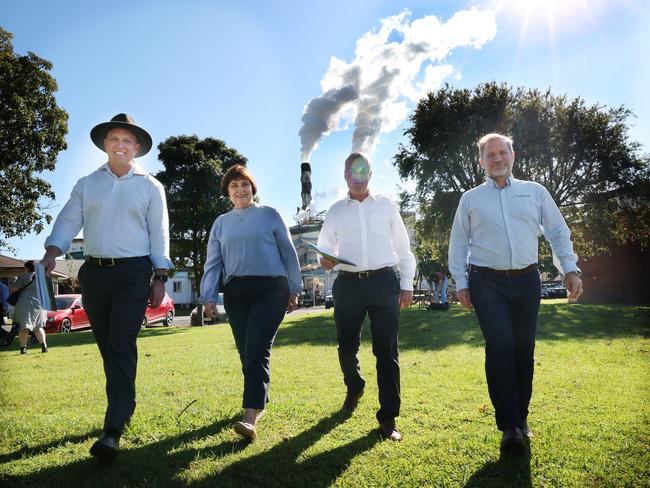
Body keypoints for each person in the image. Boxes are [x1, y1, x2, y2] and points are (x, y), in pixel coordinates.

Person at [41, 113, 172, 462]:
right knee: (106, 346)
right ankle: (124, 402)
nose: (120, 145)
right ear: (105, 145)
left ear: (137, 148)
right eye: (114, 139)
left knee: (120, 343)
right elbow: (68, 219)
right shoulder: (88, 183)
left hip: (134, 271)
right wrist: (53, 251)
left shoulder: (150, 186)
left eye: (127, 140)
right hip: (95, 274)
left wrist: (159, 276)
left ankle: (112, 429)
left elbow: (159, 233)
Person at [448, 133, 583, 455]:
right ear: (481, 161)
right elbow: (458, 243)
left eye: (502, 152)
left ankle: (521, 419)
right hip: (486, 282)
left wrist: (570, 269)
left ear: (513, 155)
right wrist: (461, 283)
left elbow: (557, 232)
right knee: (500, 347)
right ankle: (509, 425)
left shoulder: (535, 192)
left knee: (523, 350)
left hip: (526, 281)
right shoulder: (470, 199)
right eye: (490, 154)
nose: (497, 158)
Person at [317, 152, 416, 441]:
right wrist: (326, 260)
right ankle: (355, 384)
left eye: (364, 173)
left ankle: (388, 418)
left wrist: (407, 284)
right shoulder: (335, 211)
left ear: (370, 175)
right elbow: (324, 247)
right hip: (348, 284)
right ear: (345, 177)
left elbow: (403, 247)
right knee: (346, 346)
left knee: (387, 352)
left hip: (385, 282)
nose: (358, 179)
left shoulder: (386, 205)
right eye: (352, 173)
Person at [199, 164, 301, 441]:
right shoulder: (221, 223)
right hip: (236, 292)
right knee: (247, 352)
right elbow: (213, 263)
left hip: (271, 289)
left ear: (253, 188)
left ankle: (250, 416)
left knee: (257, 349)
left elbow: (288, 253)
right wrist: (208, 296)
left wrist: (294, 287)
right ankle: (260, 399)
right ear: (227, 193)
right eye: (233, 186)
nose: (240, 190)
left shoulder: (270, 215)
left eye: (244, 184)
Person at [10, 261, 48, 354]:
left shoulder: (24, 276)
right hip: (40, 305)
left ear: (27, 268)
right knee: (38, 327)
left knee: (24, 327)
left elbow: (13, 289)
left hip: (26, 304)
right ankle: (44, 347)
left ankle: (23, 349)